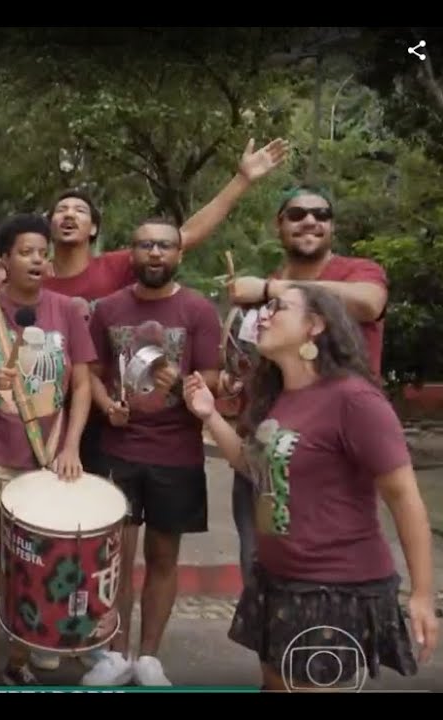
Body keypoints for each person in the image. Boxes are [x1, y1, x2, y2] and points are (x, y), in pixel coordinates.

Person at [183, 283, 438, 691]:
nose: (262, 316)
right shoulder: (282, 397)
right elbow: (253, 466)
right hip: (277, 581)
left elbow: (404, 496)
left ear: (314, 326)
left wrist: (423, 594)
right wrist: (210, 416)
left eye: (277, 308)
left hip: (333, 589)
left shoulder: (355, 400)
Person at [81, 219, 224, 687]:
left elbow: (214, 379)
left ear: (179, 254)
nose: (155, 253)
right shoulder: (108, 309)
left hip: (176, 452)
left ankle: (149, 657)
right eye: (145, 245)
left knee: (164, 557)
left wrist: (181, 388)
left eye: (164, 245)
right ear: (132, 252)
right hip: (117, 448)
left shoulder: (198, 309)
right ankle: (116, 654)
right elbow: (94, 373)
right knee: (116, 558)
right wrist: (108, 407)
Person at [225, 186, 391, 585]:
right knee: (259, 567)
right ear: (279, 225)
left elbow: (369, 303)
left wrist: (272, 291)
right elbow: (245, 357)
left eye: (322, 213)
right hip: (265, 450)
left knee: (333, 569)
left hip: (334, 456)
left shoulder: (357, 271)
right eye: (297, 213)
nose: (311, 221)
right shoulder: (258, 294)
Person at [0, 214, 95, 687]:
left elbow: (80, 384)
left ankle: (19, 656)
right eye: (25, 252)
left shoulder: (67, 311)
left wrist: (72, 445)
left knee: (33, 561)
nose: (37, 260)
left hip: (48, 460)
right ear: (2, 262)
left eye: (42, 252)